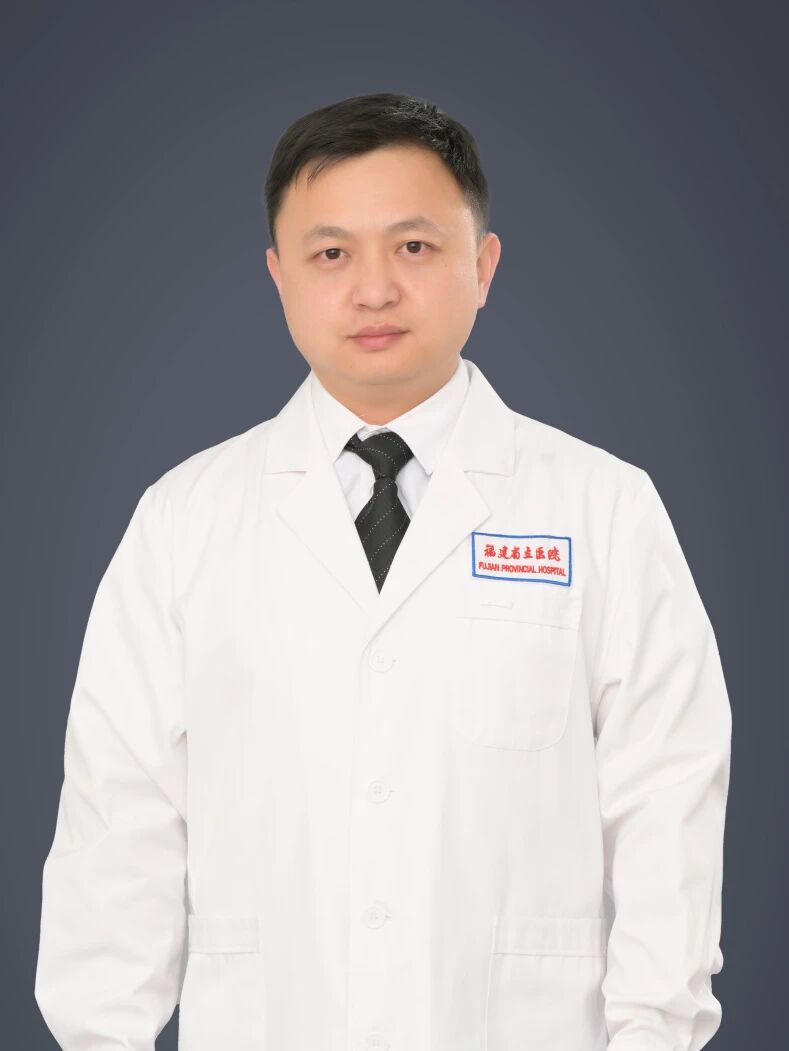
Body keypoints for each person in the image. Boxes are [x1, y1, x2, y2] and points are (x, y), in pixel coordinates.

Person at [34, 92, 732, 1051]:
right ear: (278, 276)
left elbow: (668, 804)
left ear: (482, 266)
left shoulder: (602, 507)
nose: (372, 290)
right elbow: (118, 825)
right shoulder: (183, 519)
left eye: (413, 247)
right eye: (330, 254)